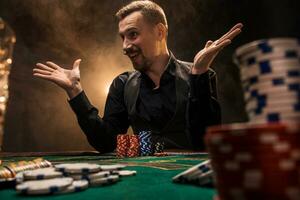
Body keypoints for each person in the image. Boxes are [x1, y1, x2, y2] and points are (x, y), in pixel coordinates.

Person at [33, 0, 242, 153]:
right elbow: (107, 144)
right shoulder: (122, 84)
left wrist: (198, 74)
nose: (125, 46)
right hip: (140, 179)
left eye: (133, 34)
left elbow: (204, 142)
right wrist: (75, 91)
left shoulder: (201, 75)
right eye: (122, 38)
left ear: (160, 32)